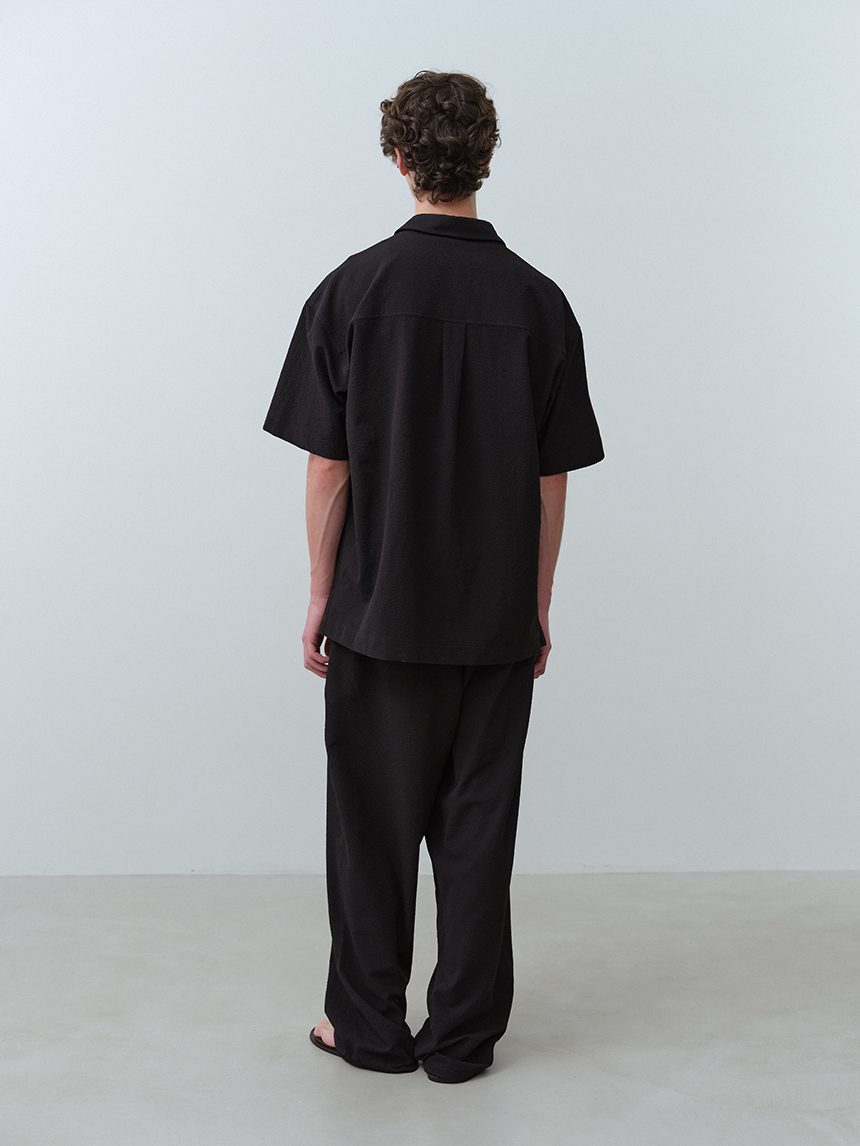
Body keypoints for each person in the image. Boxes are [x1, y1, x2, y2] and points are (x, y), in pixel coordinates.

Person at [263, 70, 604, 1083]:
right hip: (493, 620)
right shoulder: (539, 302)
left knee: (370, 835)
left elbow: (330, 469)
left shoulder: (352, 291)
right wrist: (536, 601)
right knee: (478, 831)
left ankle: (367, 1029)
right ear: (484, 158)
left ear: (400, 158)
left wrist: (320, 594)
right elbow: (549, 479)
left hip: (379, 613)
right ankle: (461, 1041)